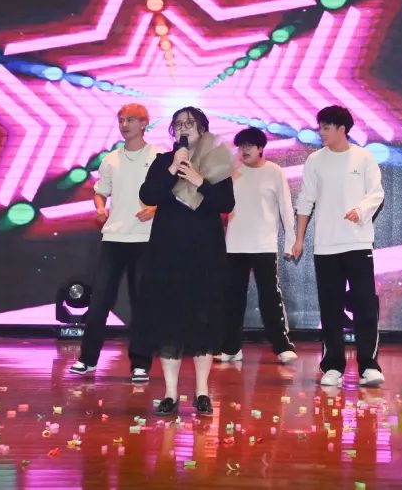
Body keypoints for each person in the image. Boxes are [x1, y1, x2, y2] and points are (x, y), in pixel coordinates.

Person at [135, 106, 235, 417]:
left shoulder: (216, 161)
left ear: (203, 129)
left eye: (190, 123)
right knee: (170, 321)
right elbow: (149, 195)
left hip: (205, 252)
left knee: (203, 320)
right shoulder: (164, 161)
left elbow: (226, 203)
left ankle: (202, 392)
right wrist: (172, 169)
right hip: (168, 252)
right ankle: (170, 393)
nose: (184, 128)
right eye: (178, 124)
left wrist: (199, 180)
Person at [290, 106, 385, 388]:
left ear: (342, 129)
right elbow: (306, 200)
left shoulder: (363, 157)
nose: (321, 132)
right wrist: (299, 238)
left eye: (326, 127)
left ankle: (369, 365)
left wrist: (360, 211)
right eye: (320, 127)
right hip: (326, 246)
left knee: (365, 305)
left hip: (358, 243)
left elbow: (376, 193)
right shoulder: (315, 160)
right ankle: (333, 365)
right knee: (330, 308)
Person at [68, 104, 157, 383]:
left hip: (144, 239)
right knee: (99, 301)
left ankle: (140, 364)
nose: (125, 125)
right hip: (114, 238)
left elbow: (172, 194)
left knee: (143, 305)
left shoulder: (158, 157)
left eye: (131, 120)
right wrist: (99, 208)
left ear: (144, 123)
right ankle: (88, 359)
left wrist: (156, 209)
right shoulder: (110, 159)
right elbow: (100, 192)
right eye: (121, 120)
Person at [216, 127, 297, 365]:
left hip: (264, 244)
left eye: (249, 146)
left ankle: (282, 346)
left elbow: (286, 208)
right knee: (233, 298)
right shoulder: (232, 172)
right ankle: (231, 347)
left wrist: (291, 242)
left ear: (261, 148)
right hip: (235, 244)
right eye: (241, 146)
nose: (244, 150)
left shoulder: (274, 172)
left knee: (270, 297)